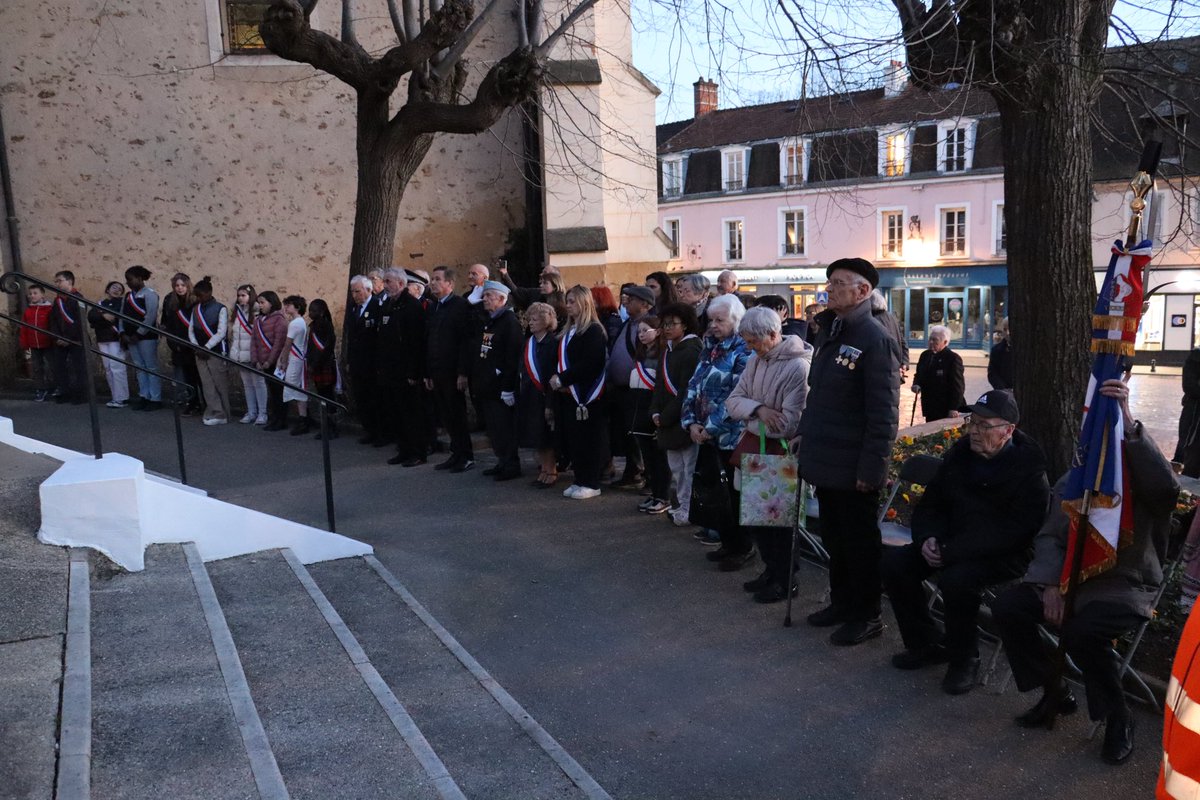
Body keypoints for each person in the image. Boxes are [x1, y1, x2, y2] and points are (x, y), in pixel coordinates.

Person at [992, 378, 1178, 766]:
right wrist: (1047, 585)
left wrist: (1127, 422)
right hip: (1068, 578)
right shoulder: (1077, 476)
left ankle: (1118, 718)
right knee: (1010, 606)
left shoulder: (1140, 475)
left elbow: (1167, 490)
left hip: (1124, 582)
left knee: (1083, 631)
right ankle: (1054, 689)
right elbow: (1050, 535)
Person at [882, 389, 1049, 694]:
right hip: (950, 542)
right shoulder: (959, 456)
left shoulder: (1028, 469)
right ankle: (925, 643)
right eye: (973, 422)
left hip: (1004, 553)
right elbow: (931, 504)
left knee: (958, 580)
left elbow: (1014, 532)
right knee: (896, 564)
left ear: (1008, 431)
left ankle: (965, 659)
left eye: (985, 426)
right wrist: (928, 538)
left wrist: (950, 552)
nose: (975, 431)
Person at [798, 257, 900, 646]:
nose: (830, 289)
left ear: (862, 291)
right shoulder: (832, 331)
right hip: (826, 457)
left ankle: (867, 614)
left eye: (839, 283)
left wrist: (872, 469)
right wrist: (806, 434)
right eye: (829, 282)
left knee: (859, 546)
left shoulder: (875, 338)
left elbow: (883, 415)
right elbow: (819, 395)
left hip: (854, 463)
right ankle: (841, 603)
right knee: (835, 540)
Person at [726, 306, 812, 601]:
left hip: (780, 452)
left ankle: (786, 579)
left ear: (774, 335)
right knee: (758, 519)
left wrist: (749, 414)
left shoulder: (797, 367)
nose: (749, 348)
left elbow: (787, 423)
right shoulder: (755, 360)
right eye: (747, 341)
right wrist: (760, 410)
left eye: (753, 341)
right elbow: (733, 402)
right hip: (756, 447)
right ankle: (770, 571)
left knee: (780, 522)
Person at [681, 294, 753, 569]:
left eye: (719, 320)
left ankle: (742, 547)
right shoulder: (710, 346)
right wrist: (690, 422)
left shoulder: (744, 351)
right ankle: (728, 542)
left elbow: (736, 396)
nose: (713, 325)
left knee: (735, 495)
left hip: (732, 436)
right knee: (718, 494)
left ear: (736, 320)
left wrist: (708, 428)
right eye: (711, 319)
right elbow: (694, 385)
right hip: (707, 435)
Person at [549, 285, 611, 500]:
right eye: (567, 300)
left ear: (584, 303)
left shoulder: (593, 330)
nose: (568, 304)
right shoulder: (569, 331)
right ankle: (579, 479)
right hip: (568, 394)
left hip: (586, 394)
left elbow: (591, 362)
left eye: (573, 301)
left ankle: (591, 482)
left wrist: (563, 378)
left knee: (589, 440)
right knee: (574, 439)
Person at [650, 302, 703, 528]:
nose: (668, 328)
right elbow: (660, 385)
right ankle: (681, 505)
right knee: (677, 468)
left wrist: (667, 416)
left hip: (683, 419)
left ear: (686, 324)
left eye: (673, 323)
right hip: (667, 419)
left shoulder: (691, 352)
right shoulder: (668, 350)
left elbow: (685, 391)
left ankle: (689, 509)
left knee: (688, 469)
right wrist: (654, 411)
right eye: (664, 324)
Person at [424, 266, 475, 472]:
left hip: (453, 372)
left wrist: (463, 372)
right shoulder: (435, 307)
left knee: (457, 414)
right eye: (432, 279)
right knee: (445, 415)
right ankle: (455, 453)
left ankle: (466, 455)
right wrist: (427, 372)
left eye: (437, 279)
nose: (433, 283)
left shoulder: (460, 306)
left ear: (450, 284)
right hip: (437, 371)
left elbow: (465, 341)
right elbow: (429, 340)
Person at [473, 281, 524, 481]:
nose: (485, 300)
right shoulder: (491, 320)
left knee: (504, 428)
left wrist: (508, 387)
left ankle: (511, 464)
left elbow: (512, 357)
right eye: (484, 296)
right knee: (494, 429)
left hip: (500, 385)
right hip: (488, 384)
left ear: (502, 299)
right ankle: (502, 461)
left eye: (489, 296)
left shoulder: (509, 322)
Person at [377, 267, 428, 466]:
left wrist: (413, 371)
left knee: (412, 413)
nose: (385, 285)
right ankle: (404, 449)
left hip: (406, 371)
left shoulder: (412, 307)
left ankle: (417, 452)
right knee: (397, 412)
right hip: (390, 370)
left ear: (400, 283)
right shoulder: (389, 305)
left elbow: (416, 342)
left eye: (388, 281)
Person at [607, 285, 656, 491]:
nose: (626, 302)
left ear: (645, 304)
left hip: (637, 388)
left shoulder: (648, 324)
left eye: (632, 299)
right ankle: (632, 470)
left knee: (639, 434)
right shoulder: (628, 322)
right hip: (622, 387)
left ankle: (647, 475)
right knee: (628, 432)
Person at [630, 314, 672, 514]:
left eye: (646, 330)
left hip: (653, 410)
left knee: (659, 458)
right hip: (639, 409)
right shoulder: (641, 355)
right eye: (639, 331)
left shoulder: (662, 355)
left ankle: (663, 496)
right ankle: (654, 493)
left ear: (657, 331)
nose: (641, 335)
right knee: (647, 457)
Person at [519, 302, 561, 487]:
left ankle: (551, 470)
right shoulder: (530, 342)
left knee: (546, 436)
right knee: (536, 434)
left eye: (535, 319)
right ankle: (543, 468)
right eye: (529, 319)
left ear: (546, 321)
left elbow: (551, 371)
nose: (531, 323)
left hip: (545, 395)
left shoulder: (552, 343)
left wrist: (550, 403)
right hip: (530, 395)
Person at [188, 276, 232, 426]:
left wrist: (206, 347)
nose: (199, 298)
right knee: (207, 384)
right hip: (199, 351)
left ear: (209, 292)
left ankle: (224, 413)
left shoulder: (221, 308)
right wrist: (196, 346)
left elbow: (221, 332)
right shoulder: (195, 309)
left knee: (219, 382)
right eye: (197, 295)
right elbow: (191, 329)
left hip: (215, 351)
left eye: (201, 295)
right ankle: (214, 410)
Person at [346, 275, 384, 444]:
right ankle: (369, 430)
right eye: (353, 291)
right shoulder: (354, 309)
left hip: (372, 362)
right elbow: (351, 337)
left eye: (358, 291)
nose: (355, 295)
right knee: (361, 398)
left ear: (369, 290)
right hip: (357, 362)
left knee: (375, 399)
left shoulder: (378, 307)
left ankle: (381, 433)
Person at [120, 266, 162, 411]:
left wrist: (138, 334)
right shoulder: (128, 296)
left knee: (150, 367)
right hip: (130, 337)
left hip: (146, 337)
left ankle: (155, 398)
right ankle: (144, 395)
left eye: (130, 279)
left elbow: (150, 316)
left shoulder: (150, 294)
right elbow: (122, 315)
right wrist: (122, 332)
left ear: (139, 278)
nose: (128, 283)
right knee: (139, 367)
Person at [161, 272, 203, 415]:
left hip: (193, 343)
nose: (180, 288)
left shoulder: (195, 300)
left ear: (188, 285)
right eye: (177, 285)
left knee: (199, 376)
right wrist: (173, 342)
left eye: (183, 285)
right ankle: (192, 403)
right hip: (177, 344)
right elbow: (166, 323)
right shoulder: (169, 300)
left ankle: (203, 403)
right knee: (187, 377)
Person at [88, 280, 130, 408]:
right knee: (108, 369)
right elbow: (91, 316)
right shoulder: (101, 303)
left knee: (117, 367)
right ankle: (114, 396)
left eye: (119, 288)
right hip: (103, 339)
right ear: (107, 290)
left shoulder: (123, 303)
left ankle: (122, 397)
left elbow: (116, 317)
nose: (116, 289)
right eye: (114, 287)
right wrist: (103, 316)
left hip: (116, 338)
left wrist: (102, 316)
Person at [230, 284, 267, 425]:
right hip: (240, 353)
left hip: (253, 354)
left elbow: (259, 336)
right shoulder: (237, 312)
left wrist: (258, 356)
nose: (240, 298)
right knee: (247, 385)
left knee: (258, 383)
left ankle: (262, 413)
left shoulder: (257, 313)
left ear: (250, 296)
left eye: (243, 295)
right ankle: (251, 411)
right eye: (239, 295)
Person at [912, 324, 965, 422]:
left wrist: (954, 408)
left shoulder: (953, 358)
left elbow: (958, 386)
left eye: (935, 340)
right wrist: (916, 384)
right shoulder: (925, 355)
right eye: (930, 339)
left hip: (945, 406)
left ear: (945, 342)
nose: (931, 342)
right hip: (929, 405)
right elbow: (918, 374)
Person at [48, 270, 86, 405]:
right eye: (56, 281)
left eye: (59, 281)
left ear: (69, 281)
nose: (57, 284)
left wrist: (68, 338)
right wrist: (57, 336)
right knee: (60, 367)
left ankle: (80, 394)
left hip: (76, 339)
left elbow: (79, 322)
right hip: (59, 339)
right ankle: (65, 392)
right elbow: (53, 320)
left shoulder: (78, 298)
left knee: (78, 368)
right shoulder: (57, 300)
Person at [252, 291, 289, 431]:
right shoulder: (258, 320)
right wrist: (255, 360)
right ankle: (274, 418)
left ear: (271, 303)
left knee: (278, 392)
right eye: (259, 303)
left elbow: (278, 343)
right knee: (272, 392)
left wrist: (269, 361)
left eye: (263, 303)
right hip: (262, 362)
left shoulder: (279, 320)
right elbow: (254, 342)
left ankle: (281, 419)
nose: (260, 306)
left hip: (275, 363)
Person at [276, 295, 311, 436]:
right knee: (297, 389)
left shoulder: (295, 323)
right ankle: (304, 418)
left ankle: (303, 420)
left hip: (296, 360)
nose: (286, 307)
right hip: (298, 359)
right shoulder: (300, 322)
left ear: (297, 307)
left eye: (289, 305)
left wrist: (282, 360)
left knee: (296, 390)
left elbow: (287, 344)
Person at [306, 298, 338, 439]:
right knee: (321, 396)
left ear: (322, 311)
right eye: (310, 310)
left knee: (328, 397)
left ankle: (331, 427)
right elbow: (311, 347)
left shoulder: (326, 326)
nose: (311, 313)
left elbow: (326, 348)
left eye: (314, 310)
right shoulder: (313, 326)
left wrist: (315, 364)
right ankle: (325, 426)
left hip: (324, 365)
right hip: (315, 365)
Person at [19, 285, 55, 402]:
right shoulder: (28, 311)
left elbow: (53, 326)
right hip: (34, 345)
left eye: (35, 293)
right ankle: (40, 389)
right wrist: (25, 343)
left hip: (48, 344)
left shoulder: (49, 309)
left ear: (42, 295)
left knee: (52, 366)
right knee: (37, 368)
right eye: (30, 294)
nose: (32, 296)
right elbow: (24, 328)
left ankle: (55, 386)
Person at [498, 262, 568, 321]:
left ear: (555, 281)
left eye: (545, 273)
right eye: (542, 272)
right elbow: (517, 292)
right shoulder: (535, 293)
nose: (541, 274)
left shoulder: (564, 302)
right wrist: (505, 275)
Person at [988, 319, 1014, 391]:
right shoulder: (996, 350)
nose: (1008, 333)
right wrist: (1004, 389)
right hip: (1004, 393)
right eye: (1005, 329)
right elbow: (992, 373)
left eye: (1010, 329)